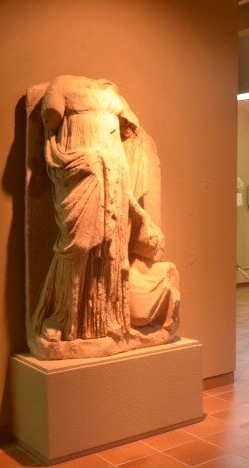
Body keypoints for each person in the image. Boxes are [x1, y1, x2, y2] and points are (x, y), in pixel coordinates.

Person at [29, 75, 179, 356]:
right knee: (78, 243)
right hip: (80, 166)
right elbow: (51, 117)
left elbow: (133, 133)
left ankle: (106, 320)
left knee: (112, 245)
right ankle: (64, 316)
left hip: (114, 168)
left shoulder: (113, 93)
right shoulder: (62, 84)